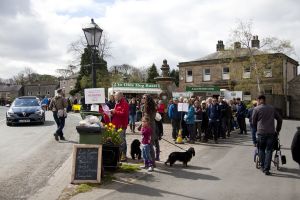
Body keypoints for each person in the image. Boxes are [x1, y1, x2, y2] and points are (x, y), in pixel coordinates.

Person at [252, 95, 282, 175]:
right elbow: (279, 119)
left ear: (259, 100)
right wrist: (277, 130)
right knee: (269, 150)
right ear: (265, 100)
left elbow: (253, 122)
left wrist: (256, 129)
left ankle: (262, 166)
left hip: (261, 133)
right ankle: (266, 169)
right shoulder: (272, 108)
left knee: (261, 149)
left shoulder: (256, 109)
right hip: (271, 133)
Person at [111, 92, 129, 162]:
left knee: (122, 140)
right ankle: (118, 154)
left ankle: (123, 154)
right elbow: (117, 112)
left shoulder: (125, 103)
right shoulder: (117, 103)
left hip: (121, 125)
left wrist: (115, 111)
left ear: (120, 96)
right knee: (115, 140)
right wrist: (112, 112)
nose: (114, 97)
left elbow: (124, 114)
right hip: (115, 124)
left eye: (115, 96)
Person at [142, 94, 157, 167]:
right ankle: (147, 163)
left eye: (144, 98)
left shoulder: (151, 108)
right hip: (146, 127)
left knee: (150, 146)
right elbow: (145, 119)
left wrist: (145, 127)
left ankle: (152, 163)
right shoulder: (145, 107)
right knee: (145, 147)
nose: (143, 99)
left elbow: (149, 120)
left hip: (150, 128)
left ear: (148, 99)